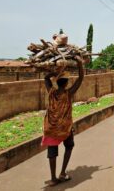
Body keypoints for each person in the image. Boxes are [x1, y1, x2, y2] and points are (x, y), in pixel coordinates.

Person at [42, 56, 84, 187]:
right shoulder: (68, 93)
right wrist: (79, 64)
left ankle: (53, 178)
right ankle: (62, 173)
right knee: (69, 146)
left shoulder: (51, 92)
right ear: (66, 83)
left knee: (52, 152)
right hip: (65, 128)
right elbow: (81, 78)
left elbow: (45, 78)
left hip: (51, 128)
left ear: (57, 82)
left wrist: (54, 73)